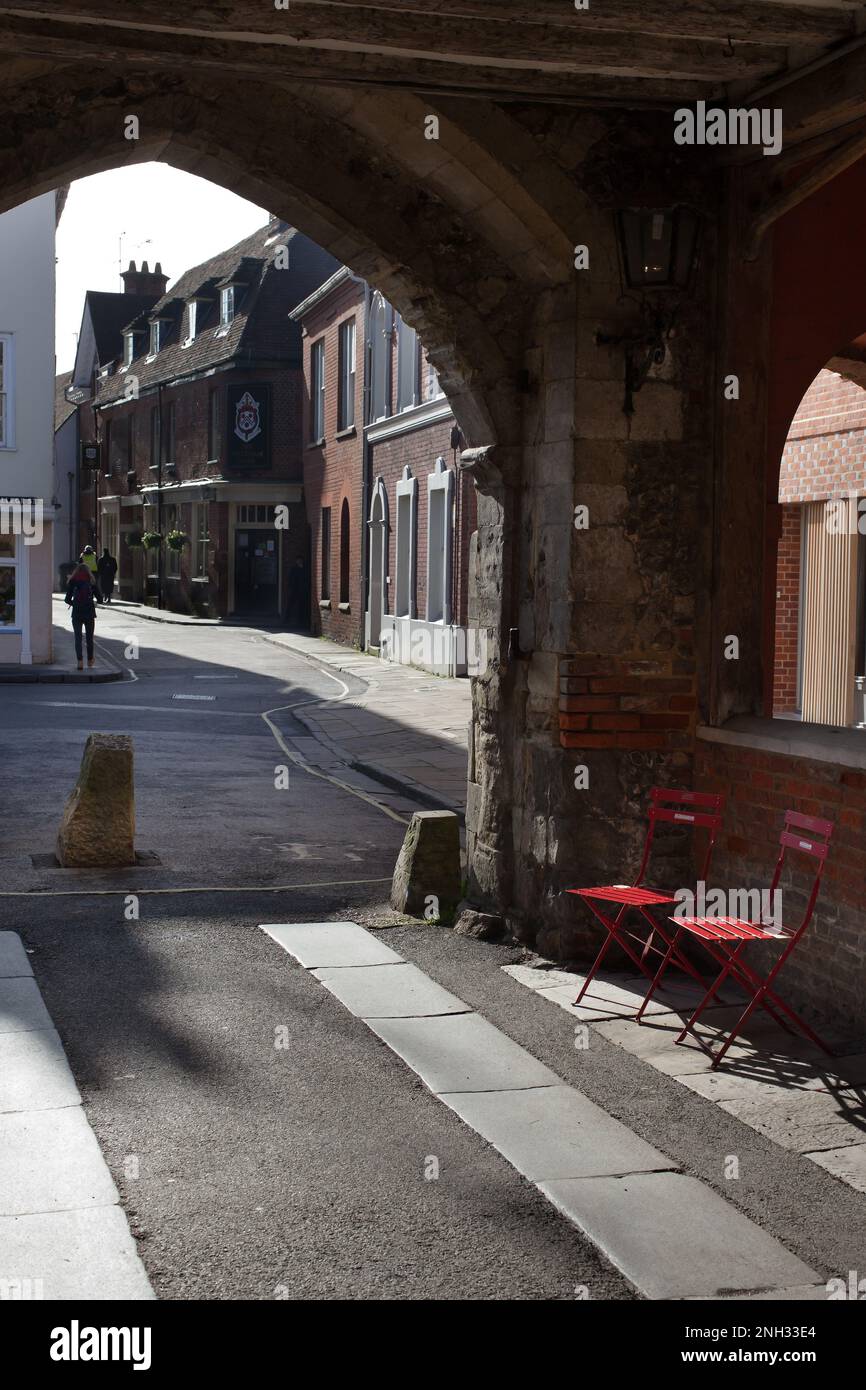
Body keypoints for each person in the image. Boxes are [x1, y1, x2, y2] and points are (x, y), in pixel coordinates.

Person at [64, 561, 98, 670]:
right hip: (89, 613)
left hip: (77, 613)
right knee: (89, 639)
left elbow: (67, 599)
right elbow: (101, 599)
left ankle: (80, 662)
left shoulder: (73, 581)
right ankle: (90, 660)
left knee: (78, 638)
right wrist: (94, 601)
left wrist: (75, 603)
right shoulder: (91, 581)